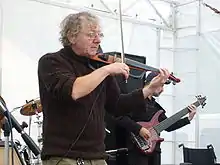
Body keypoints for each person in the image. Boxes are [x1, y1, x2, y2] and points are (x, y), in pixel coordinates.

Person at [37, 11, 170, 165]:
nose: (98, 40)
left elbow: (117, 106)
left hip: (97, 155)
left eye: (100, 35)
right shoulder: (51, 62)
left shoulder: (97, 66)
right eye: (91, 35)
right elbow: (74, 90)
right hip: (63, 156)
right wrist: (106, 70)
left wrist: (149, 89)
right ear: (71, 36)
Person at [117, 71, 197, 165]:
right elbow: (120, 117)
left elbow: (168, 126)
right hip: (137, 149)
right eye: (161, 85)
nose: (162, 90)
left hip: (155, 150)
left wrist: (188, 119)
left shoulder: (157, 107)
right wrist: (139, 129)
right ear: (153, 82)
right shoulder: (135, 100)